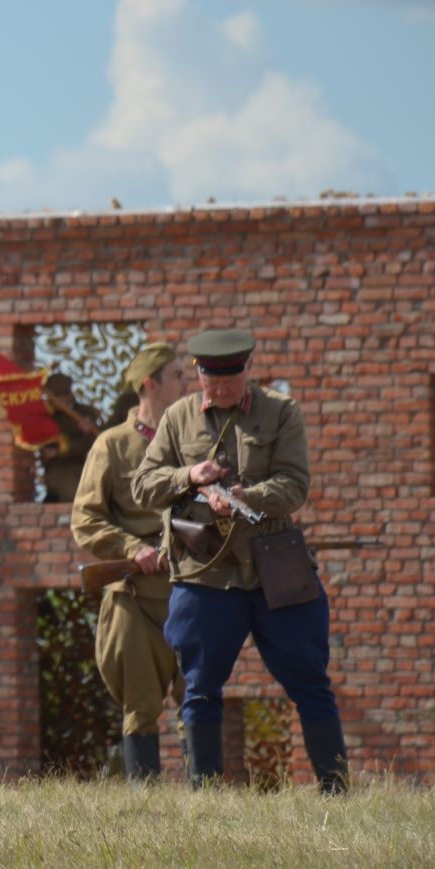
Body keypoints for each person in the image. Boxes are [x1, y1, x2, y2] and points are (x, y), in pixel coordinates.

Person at [132, 329, 348, 793]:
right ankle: (205, 793)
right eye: (214, 383)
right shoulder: (177, 417)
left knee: (310, 680)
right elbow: (144, 485)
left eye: (232, 382)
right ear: (200, 376)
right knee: (201, 687)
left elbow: (295, 485)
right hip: (206, 571)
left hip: (275, 566)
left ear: (247, 371)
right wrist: (190, 476)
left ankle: (335, 788)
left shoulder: (281, 412)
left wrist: (246, 496)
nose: (224, 392)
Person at [70, 342, 190, 780]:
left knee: (197, 697)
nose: (187, 383)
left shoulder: (196, 439)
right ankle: (146, 805)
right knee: (140, 707)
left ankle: (207, 799)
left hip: (191, 588)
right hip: (135, 597)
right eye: (177, 375)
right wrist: (130, 549)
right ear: (149, 384)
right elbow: (85, 520)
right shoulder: (112, 445)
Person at [38, 373, 100, 503]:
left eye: (58, 395)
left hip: (87, 466)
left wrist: (87, 432)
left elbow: (93, 442)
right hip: (59, 470)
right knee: (75, 494)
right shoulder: (46, 418)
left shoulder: (85, 413)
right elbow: (48, 450)